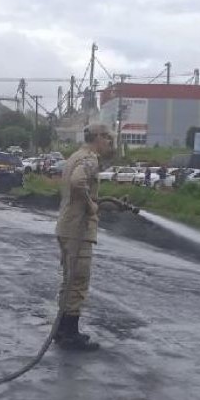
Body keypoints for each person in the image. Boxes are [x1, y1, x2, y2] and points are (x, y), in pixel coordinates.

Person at [54, 123, 115, 350]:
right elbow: (78, 182)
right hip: (78, 230)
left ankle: (61, 330)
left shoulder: (76, 155)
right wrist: (91, 206)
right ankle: (69, 334)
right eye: (107, 138)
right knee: (78, 281)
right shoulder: (89, 159)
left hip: (67, 227)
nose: (109, 142)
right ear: (97, 137)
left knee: (69, 280)